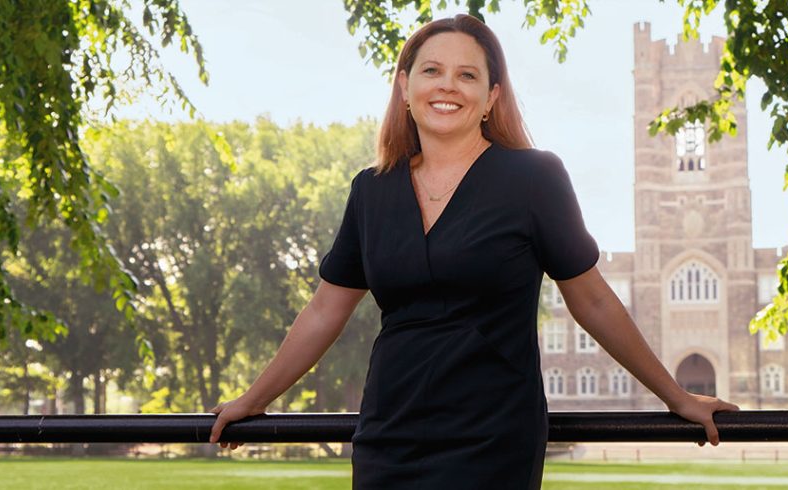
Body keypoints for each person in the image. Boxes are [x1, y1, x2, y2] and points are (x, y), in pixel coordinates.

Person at [209, 13, 738, 489]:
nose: (448, 86)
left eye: (468, 75)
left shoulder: (534, 178)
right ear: (404, 86)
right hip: (390, 433)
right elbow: (326, 310)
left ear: (490, 98)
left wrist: (676, 397)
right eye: (432, 71)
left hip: (492, 440)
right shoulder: (371, 190)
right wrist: (253, 400)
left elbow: (593, 301)